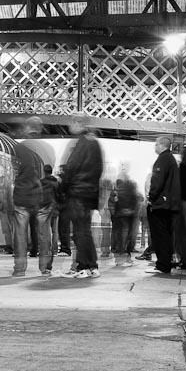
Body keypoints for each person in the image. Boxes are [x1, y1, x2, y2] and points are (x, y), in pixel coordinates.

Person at [59, 114, 103, 278]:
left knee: (80, 232)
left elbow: (72, 167)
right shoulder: (94, 142)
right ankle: (92, 266)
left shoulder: (82, 143)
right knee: (85, 231)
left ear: (78, 123)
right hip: (89, 193)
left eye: (71, 121)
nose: (70, 125)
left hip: (78, 192)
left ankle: (82, 267)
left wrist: (63, 185)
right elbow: (98, 171)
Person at [12, 117, 50, 276]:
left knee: (20, 234)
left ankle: (20, 270)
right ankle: (45, 268)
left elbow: (13, 171)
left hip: (22, 195)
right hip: (41, 197)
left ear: (27, 128)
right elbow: (48, 172)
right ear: (40, 129)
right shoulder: (46, 149)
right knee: (44, 234)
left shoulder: (19, 148)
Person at [148, 136, 181, 273]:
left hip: (161, 204)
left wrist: (151, 197)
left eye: (156, 144)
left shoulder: (163, 159)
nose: (154, 147)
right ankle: (165, 263)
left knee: (160, 234)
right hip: (170, 204)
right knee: (166, 233)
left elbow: (157, 181)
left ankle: (163, 264)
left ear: (162, 145)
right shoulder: (171, 159)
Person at [111, 166, 139, 266]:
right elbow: (135, 198)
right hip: (127, 213)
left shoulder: (118, 188)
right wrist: (131, 209)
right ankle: (124, 254)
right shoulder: (130, 186)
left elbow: (116, 202)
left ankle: (121, 253)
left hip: (122, 213)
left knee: (122, 233)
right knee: (126, 233)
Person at [40, 164, 60, 271]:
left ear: (44, 171)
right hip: (54, 210)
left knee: (46, 234)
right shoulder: (56, 183)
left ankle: (45, 253)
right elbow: (59, 196)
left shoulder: (41, 183)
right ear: (51, 171)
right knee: (55, 232)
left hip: (44, 211)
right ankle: (55, 250)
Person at [135, 172, 154, 260]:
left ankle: (147, 250)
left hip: (147, 216)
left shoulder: (143, 204)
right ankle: (148, 250)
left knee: (145, 232)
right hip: (148, 216)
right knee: (150, 233)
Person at [56, 165, 71, 256]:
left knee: (63, 228)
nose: (59, 171)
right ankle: (65, 248)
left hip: (65, 207)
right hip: (67, 206)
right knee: (63, 228)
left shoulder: (64, 181)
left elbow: (62, 194)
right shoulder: (68, 181)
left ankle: (65, 249)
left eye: (61, 170)